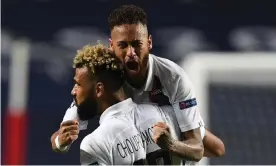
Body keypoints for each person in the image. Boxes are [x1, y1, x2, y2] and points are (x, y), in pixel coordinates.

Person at [50, 4, 225, 158]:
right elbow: (59, 138)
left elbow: (197, 149)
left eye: (137, 44)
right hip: (131, 129)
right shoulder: (105, 72)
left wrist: (171, 144)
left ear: (149, 43)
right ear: (112, 46)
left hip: (168, 121)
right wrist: (61, 142)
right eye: (123, 45)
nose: (131, 53)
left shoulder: (172, 77)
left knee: (217, 148)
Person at [73, 44, 203, 165]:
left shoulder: (94, 144)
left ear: (99, 90)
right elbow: (198, 150)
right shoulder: (168, 115)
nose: (73, 91)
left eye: (78, 84)